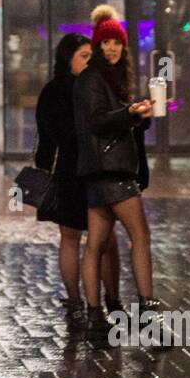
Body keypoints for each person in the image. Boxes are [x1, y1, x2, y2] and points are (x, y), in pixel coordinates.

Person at [74, 5, 161, 346]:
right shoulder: (93, 79)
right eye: (106, 42)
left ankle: (96, 315)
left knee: (96, 244)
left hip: (99, 172)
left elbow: (114, 119)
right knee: (140, 235)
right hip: (109, 170)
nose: (111, 48)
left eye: (117, 43)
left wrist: (137, 115)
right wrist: (130, 113)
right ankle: (148, 314)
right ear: (97, 45)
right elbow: (98, 121)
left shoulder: (109, 79)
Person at [34, 34, 119, 331]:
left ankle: (103, 301)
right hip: (74, 173)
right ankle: (77, 301)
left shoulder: (90, 86)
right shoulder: (61, 90)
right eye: (83, 56)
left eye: (90, 55)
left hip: (92, 171)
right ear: (67, 58)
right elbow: (52, 137)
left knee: (104, 240)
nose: (89, 61)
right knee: (73, 239)